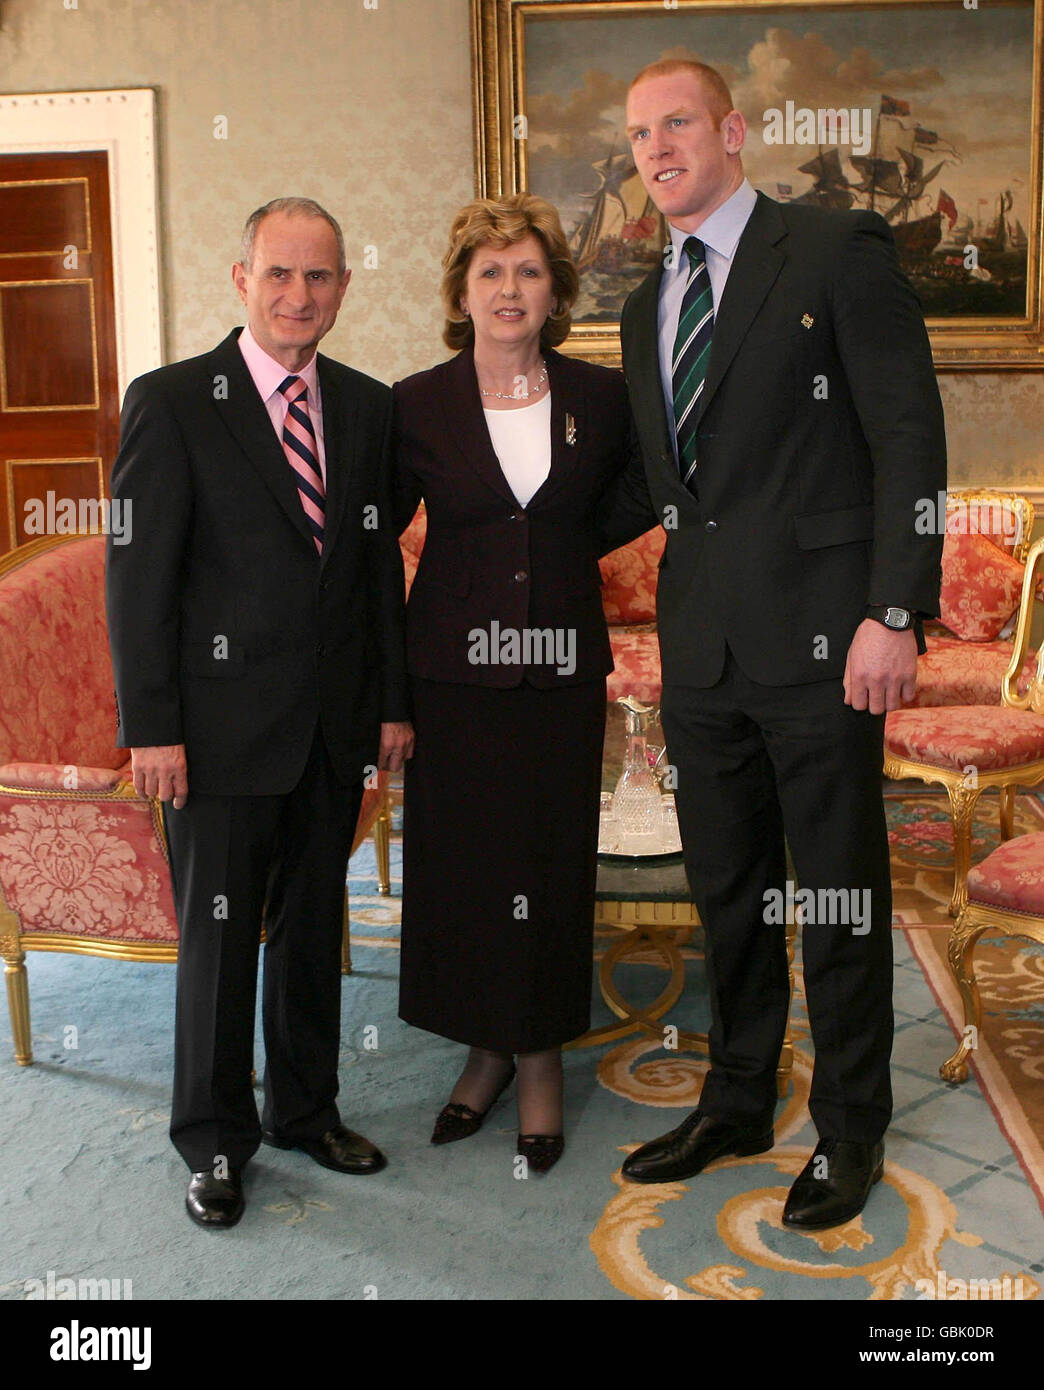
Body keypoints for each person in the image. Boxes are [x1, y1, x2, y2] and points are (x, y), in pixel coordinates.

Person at [599, 60, 946, 1229]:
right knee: (728, 899)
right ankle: (738, 1098)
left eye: (678, 123)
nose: (657, 148)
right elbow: (660, 487)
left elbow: (908, 437)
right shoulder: (649, 298)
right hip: (701, 654)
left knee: (840, 898)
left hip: (823, 644)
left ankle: (851, 1126)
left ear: (734, 131)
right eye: (641, 134)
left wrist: (893, 611)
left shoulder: (835, 247)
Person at [106, 197, 414, 1229]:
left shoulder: (367, 409)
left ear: (342, 286)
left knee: (314, 927)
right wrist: (151, 726)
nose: (299, 295)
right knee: (222, 941)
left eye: (319, 276)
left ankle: (306, 1110)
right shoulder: (172, 400)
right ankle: (213, 1140)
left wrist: (391, 708)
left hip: (332, 729)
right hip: (216, 737)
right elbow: (137, 579)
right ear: (240, 279)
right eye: (279, 274)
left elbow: (373, 571)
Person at [392, 193, 630, 1173]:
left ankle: (538, 1061)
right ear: (461, 289)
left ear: (555, 290)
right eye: (490, 270)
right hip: (452, 676)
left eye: (528, 270)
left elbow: (643, 492)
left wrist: (558, 551)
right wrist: (388, 698)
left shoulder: (602, 399)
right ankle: (485, 1049)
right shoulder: (415, 404)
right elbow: (372, 550)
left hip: (562, 670)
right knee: (469, 869)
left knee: (549, 862)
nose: (509, 287)